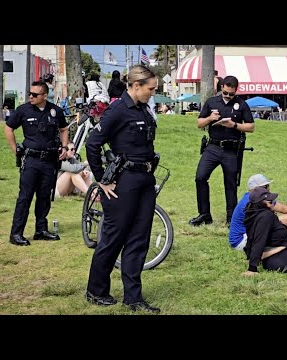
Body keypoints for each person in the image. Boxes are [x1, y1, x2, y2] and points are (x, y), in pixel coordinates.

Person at [84, 64, 160, 313]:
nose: (153, 93)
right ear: (136, 85)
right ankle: (96, 291)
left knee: (139, 240)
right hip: (123, 182)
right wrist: (101, 180)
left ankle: (133, 298)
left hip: (145, 180)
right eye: (151, 88)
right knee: (114, 238)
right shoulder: (117, 110)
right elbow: (93, 143)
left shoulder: (144, 110)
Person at [4, 80, 69, 246]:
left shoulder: (55, 111)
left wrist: (64, 146)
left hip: (49, 160)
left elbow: (64, 128)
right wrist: (15, 150)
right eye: (30, 94)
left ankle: (41, 230)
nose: (30, 97)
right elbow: (8, 128)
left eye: (35, 94)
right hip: (31, 160)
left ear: (45, 95)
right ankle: (16, 233)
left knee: (44, 197)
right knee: (25, 198)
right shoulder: (23, 110)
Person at [189, 75, 255, 226]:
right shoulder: (212, 102)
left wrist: (235, 125)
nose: (228, 96)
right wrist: (210, 118)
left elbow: (251, 126)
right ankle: (204, 214)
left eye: (231, 94)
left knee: (230, 183)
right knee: (200, 177)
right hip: (212, 147)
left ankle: (231, 218)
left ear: (236, 91)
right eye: (225, 93)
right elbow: (199, 123)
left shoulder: (241, 104)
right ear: (221, 88)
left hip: (231, 149)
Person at [229, 174, 287, 251]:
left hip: (251, 233)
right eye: (265, 187)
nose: (268, 189)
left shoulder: (258, 197)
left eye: (268, 186)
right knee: (285, 225)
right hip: (242, 241)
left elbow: (283, 208)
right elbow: (264, 227)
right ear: (255, 189)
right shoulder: (253, 203)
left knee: (286, 217)